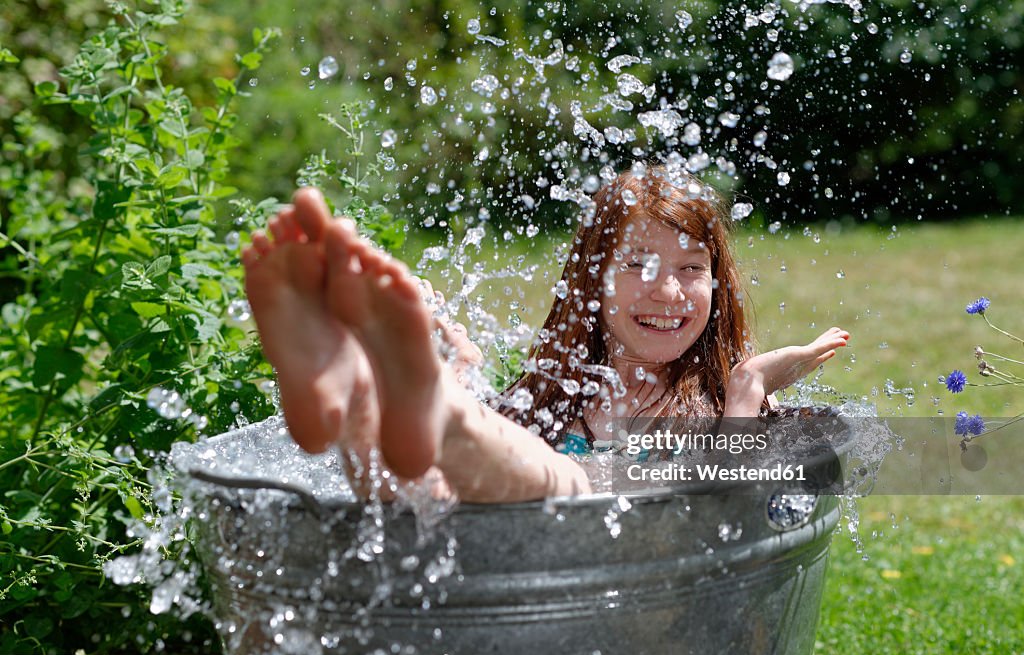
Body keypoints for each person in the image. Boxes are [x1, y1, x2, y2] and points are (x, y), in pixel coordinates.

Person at [241, 165, 849, 503]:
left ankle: (418, 399)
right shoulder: (556, 395)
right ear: (592, 281)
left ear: (718, 287)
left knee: (559, 484)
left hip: (635, 585)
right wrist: (462, 372)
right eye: (638, 265)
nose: (667, 292)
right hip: (506, 555)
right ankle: (359, 400)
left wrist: (746, 388)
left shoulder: (727, 405)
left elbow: (733, 510)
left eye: (692, 270)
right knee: (419, 496)